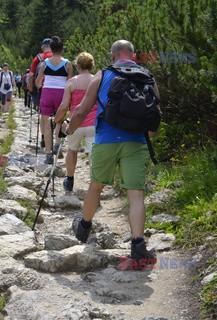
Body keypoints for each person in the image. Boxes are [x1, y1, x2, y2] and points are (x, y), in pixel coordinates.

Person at [62, 40, 160, 267]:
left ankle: (84, 227)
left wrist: (70, 129)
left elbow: (82, 109)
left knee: (96, 186)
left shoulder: (103, 74)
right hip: (136, 141)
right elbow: (156, 111)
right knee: (135, 194)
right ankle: (137, 247)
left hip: (105, 139)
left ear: (113, 56)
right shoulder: (147, 75)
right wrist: (149, 135)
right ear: (133, 56)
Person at [54, 52, 98, 192]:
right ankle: (94, 185)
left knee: (72, 151)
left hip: (75, 123)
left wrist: (57, 120)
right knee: (93, 154)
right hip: (94, 124)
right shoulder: (97, 80)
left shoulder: (72, 82)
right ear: (92, 66)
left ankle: (69, 180)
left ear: (77, 66)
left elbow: (64, 106)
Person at [35, 36, 73, 164]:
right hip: (61, 93)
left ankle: (48, 153)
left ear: (51, 48)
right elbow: (70, 83)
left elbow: (38, 81)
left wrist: (39, 86)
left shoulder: (45, 63)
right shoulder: (68, 64)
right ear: (62, 49)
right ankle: (57, 142)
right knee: (59, 120)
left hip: (47, 92)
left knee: (46, 122)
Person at [27, 38, 53, 148]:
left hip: (43, 88)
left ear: (42, 47)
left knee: (44, 114)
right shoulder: (58, 57)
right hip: (58, 89)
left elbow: (31, 75)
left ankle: (44, 137)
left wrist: (30, 87)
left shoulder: (38, 58)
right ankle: (55, 137)